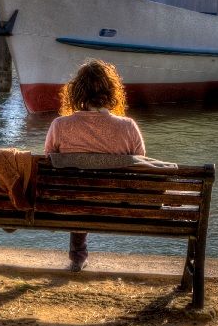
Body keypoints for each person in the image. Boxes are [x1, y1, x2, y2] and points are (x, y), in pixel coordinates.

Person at [44, 60, 146, 271]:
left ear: (76, 92)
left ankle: (78, 256)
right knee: (89, 188)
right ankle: (79, 254)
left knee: (78, 187)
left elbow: (48, 160)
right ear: (111, 91)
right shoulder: (128, 127)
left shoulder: (60, 126)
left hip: (69, 204)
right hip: (115, 206)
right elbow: (141, 163)